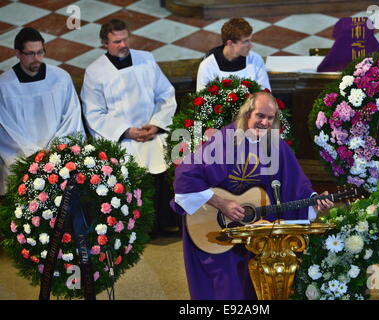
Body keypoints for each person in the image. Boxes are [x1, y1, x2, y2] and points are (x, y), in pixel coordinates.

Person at [170, 91, 333, 299]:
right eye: (260, 116)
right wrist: (221, 203)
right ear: (247, 114)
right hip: (217, 229)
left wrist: (315, 201)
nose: (264, 122)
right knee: (227, 290)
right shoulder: (223, 141)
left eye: (270, 118)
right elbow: (185, 174)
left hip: (258, 234)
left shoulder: (277, 147)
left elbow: (295, 186)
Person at [80, 19, 180, 235]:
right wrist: (126, 131)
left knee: (161, 171)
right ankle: (136, 228)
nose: (123, 44)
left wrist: (155, 124)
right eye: (117, 41)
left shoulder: (146, 59)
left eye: (125, 39)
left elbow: (165, 94)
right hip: (122, 137)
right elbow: (94, 113)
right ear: (104, 43)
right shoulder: (95, 72)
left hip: (151, 131)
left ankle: (163, 223)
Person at [0, 27, 85, 195]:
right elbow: (6, 128)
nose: (37, 59)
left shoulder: (60, 78)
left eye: (40, 52)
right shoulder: (4, 85)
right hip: (23, 158)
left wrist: (55, 151)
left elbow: (72, 117)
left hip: (59, 156)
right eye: (30, 54)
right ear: (17, 53)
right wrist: (34, 153)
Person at [196, 18, 271, 92]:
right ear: (230, 43)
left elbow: (266, 92)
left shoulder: (256, 60)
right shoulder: (208, 65)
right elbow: (202, 98)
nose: (251, 45)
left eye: (250, 40)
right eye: (245, 41)